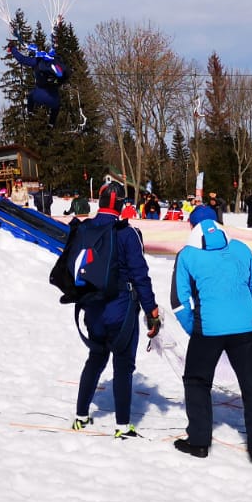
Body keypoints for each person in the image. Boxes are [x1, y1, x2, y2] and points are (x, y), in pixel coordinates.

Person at [170, 217, 252, 469]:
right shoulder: (241, 248)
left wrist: (194, 329)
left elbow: (179, 301)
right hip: (246, 329)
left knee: (197, 381)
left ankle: (198, 441)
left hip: (208, 329)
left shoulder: (187, 255)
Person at [71, 182, 161, 439]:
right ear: (121, 205)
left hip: (92, 308)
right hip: (121, 310)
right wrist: (151, 310)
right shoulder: (127, 233)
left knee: (95, 359)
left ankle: (81, 416)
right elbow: (140, 275)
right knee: (123, 365)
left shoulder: (85, 228)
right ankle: (122, 426)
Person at [6, 41, 68, 127]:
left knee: (31, 96)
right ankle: (51, 123)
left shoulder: (37, 61)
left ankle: (30, 113)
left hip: (40, 93)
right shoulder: (55, 61)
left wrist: (13, 49)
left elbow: (21, 59)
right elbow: (64, 73)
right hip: (53, 96)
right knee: (56, 106)